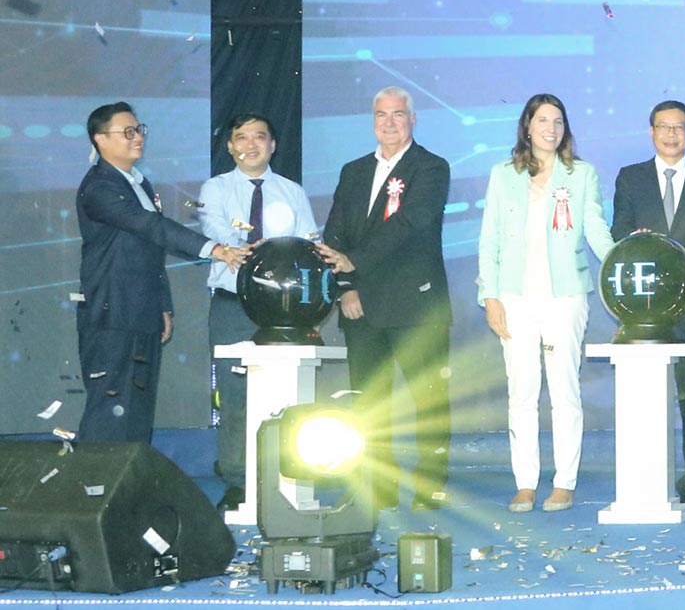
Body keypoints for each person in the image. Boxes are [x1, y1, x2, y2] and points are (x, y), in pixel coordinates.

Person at [476, 94, 615, 514]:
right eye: (542, 120)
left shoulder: (582, 174)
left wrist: (619, 260)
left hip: (566, 296)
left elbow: (594, 226)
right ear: (527, 126)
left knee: (564, 389)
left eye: (558, 120)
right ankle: (525, 483)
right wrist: (490, 296)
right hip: (514, 298)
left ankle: (564, 482)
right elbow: (490, 238)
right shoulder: (503, 175)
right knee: (521, 393)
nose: (550, 128)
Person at [75, 102, 245, 444]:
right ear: (100, 140)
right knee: (109, 409)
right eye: (127, 132)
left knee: (137, 410)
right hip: (112, 314)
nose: (137, 137)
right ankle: (94, 491)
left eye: (139, 130)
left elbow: (151, 252)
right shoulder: (100, 187)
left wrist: (162, 305)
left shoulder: (138, 182)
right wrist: (214, 248)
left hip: (142, 312)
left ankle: (128, 492)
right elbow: (150, 226)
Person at [318, 86, 453, 511]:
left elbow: (409, 224)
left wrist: (352, 262)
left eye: (398, 114)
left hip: (416, 304)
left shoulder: (431, 168)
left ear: (413, 119)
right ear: (372, 120)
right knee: (369, 401)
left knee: (427, 399)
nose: (390, 122)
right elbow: (334, 233)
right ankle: (378, 482)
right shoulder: (353, 170)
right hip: (362, 306)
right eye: (382, 115)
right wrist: (346, 288)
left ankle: (429, 483)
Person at [196, 113, 318, 510]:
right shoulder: (214, 189)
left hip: (284, 313)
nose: (250, 145)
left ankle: (287, 476)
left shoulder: (292, 192)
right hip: (233, 304)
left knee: (288, 394)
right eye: (241, 138)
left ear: (273, 145)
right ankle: (237, 480)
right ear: (230, 146)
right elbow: (216, 230)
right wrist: (257, 246)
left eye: (259, 137)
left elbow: (308, 245)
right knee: (235, 396)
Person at [611, 100, 685, 508]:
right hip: (643, 311)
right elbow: (618, 233)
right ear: (651, 132)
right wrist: (632, 237)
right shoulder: (631, 178)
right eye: (664, 127)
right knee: (646, 397)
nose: (672, 134)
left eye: (680, 127)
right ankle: (647, 477)